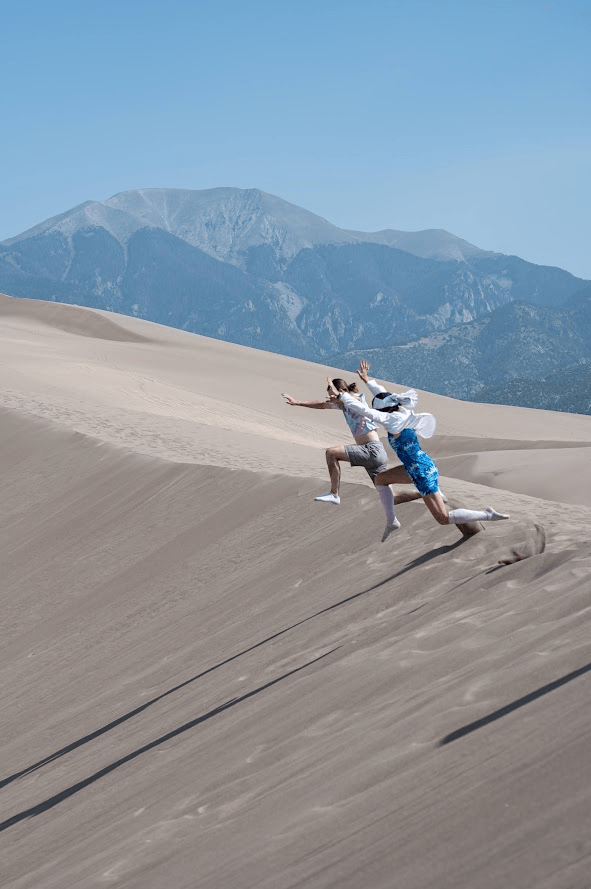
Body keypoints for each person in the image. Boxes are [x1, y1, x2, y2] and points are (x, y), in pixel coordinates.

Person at [329, 362, 510, 537]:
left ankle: (487, 514)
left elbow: (366, 411)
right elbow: (383, 394)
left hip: (420, 472)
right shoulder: (400, 411)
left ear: (384, 411)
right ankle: (391, 521)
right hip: (419, 465)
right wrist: (367, 380)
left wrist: (342, 396)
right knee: (380, 480)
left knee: (443, 518)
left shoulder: (392, 421)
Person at [282, 377, 416, 540]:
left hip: (372, 450)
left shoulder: (356, 399)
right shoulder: (343, 404)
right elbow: (321, 404)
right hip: (374, 454)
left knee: (331, 453)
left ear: (340, 391)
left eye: (332, 395)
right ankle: (421, 496)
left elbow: (353, 399)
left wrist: (337, 393)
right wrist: (297, 402)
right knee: (392, 497)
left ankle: (334, 494)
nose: (330, 398)